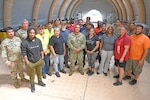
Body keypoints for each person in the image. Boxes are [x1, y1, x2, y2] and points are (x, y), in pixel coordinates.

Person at [21, 28, 46, 92]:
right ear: (28, 33)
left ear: (35, 33)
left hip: (39, 60)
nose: (32, 34)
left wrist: (42, 57)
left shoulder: (38, 40)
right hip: (31, 62)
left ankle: (40, 81)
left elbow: (41, 49)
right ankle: (32, 84)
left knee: (39, 72)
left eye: (33, 33)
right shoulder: (24, 42)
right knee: (32, 74)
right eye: (30, 33)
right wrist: (27, 62)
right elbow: (24, 53)